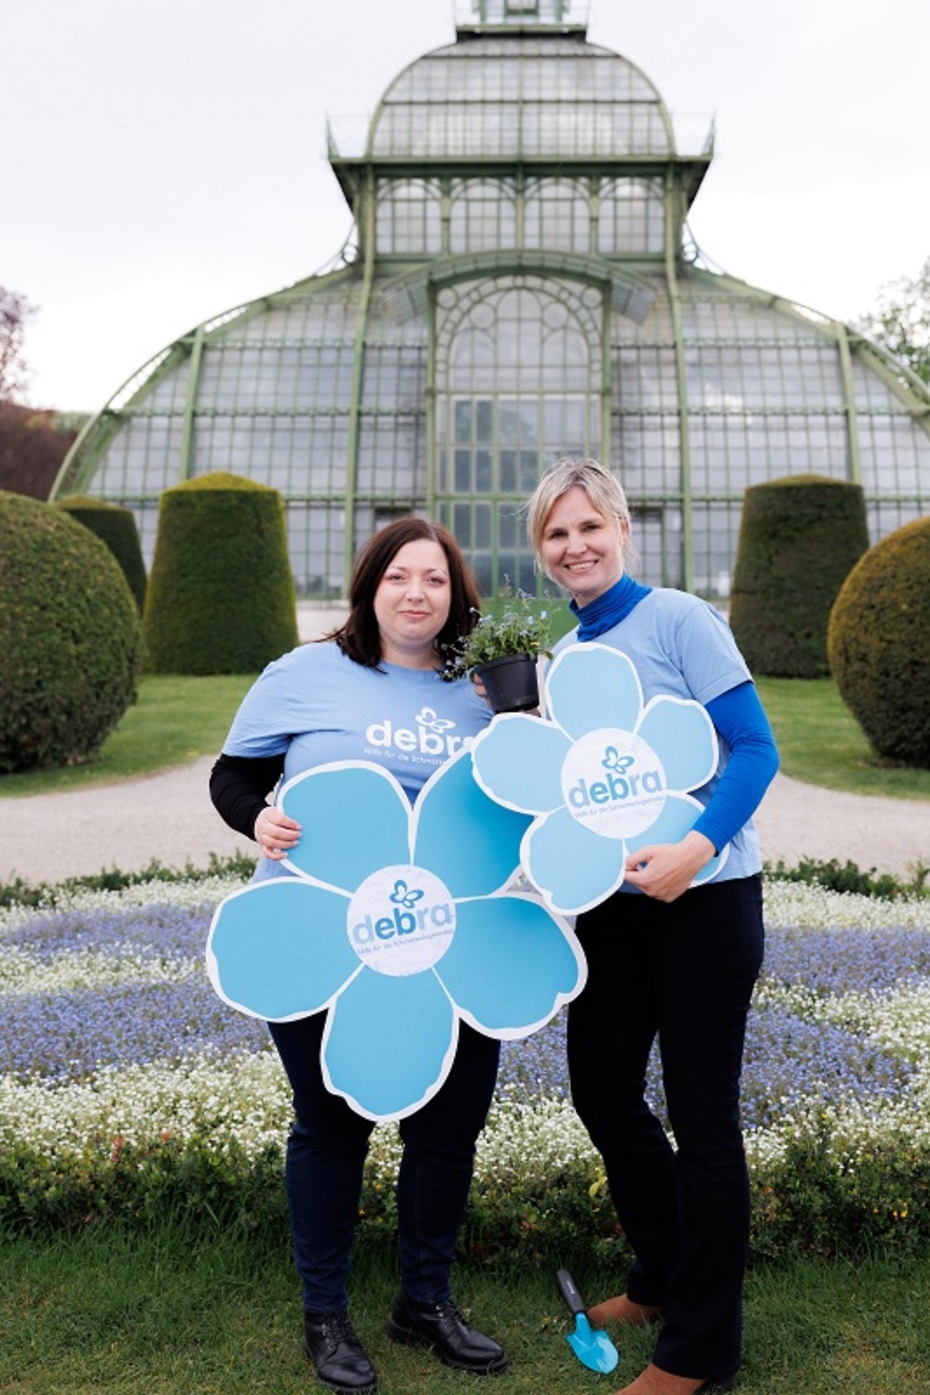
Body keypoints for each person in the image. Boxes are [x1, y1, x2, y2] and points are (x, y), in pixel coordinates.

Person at [209, 517, 508, 1394]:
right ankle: (325, 1314)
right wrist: (256, 818)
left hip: (453, 943)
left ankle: (424, 1300)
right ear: (369, 586)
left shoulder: (483, 688)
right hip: (321, 939)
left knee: (449, 1128)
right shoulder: (303, 675)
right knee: (332, 1125)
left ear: (457, 596)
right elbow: (233, 776)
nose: (417, 593)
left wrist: (522, 718)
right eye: (400, 577)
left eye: (436, 580)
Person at [526, 460, 779, 1395]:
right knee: (602, 1091)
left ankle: (701, 1350)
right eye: (556, 534)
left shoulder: (678, 618)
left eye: (589, 526)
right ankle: (666, 1276)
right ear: (541, 551)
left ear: (622, 528)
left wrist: (698, 847)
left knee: (704, 1123)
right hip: (617, 914)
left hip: (706, 904)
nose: (575, 546)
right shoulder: (567, 656)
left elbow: (756, 747)